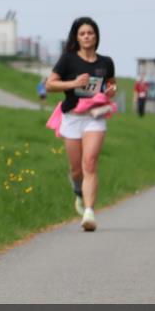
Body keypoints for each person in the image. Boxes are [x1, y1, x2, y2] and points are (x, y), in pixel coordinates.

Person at [45, 17, 116, 232]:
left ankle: (89, 212)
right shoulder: (68, 60)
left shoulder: (106, 62)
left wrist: (111, 91)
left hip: (95, 117)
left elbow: (111, 84)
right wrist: (74, 83)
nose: (87, 36)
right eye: (82, 33)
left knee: (90, 164)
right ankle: (78, 190)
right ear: (77, 37)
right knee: (77, 170)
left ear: (96, 37)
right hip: (72, 117)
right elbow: (49, 85)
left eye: (90, 33)